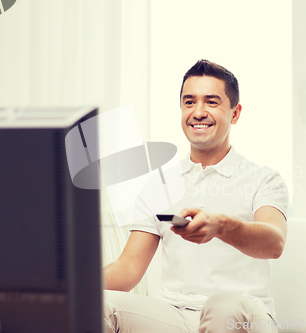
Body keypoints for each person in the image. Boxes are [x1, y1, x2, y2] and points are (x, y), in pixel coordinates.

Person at [103, 60, 288, 333]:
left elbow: (274, 243)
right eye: (189, 102)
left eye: (211, 102)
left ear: (235, 113)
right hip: (174, 315)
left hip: (244, 313)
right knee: (100, 304)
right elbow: (129, 268)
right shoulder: (160, 185)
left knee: (223, 305)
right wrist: (64, 283)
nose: (198, 112)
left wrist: (221, 226)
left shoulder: (263, 179)